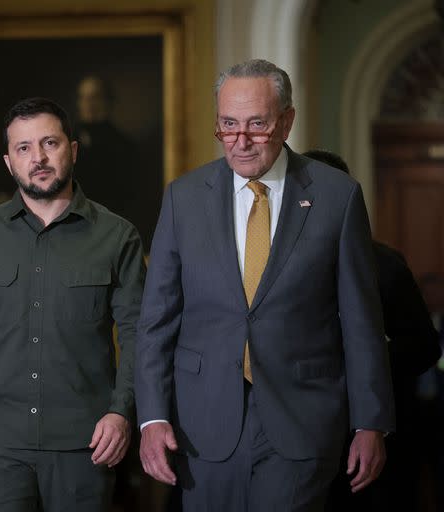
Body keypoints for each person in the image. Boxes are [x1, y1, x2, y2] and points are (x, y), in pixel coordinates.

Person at [135, 59, 395, 511]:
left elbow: (361, 322)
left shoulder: (338, 197)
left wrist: (371, 422)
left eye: (257, 125)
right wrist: (152, 417)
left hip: (303, 417)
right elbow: (157, 320)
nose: (240, 141)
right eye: (228, 125)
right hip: (203, 424)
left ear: (287, 120)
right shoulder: (183, 198)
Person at [0, 97, 146, 511]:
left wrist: (121, 412)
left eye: (49, 144)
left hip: (87, 448)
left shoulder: (118, 237)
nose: (37, 158)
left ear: (72, 150)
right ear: (9, 162)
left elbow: (138, 337)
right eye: (23, 148)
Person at [303, 149, 441, 511]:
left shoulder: (384, 265)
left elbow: (425, 347)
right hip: (307, 436)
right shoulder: (278, 265)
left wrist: (360, 357)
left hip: (380, 434)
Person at [73, 75, 159, 250]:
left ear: (107, 101)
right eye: (83, 98)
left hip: (110, 232)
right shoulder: (66, 143)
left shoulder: (125, 146)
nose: (88, 103)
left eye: (94, 97)